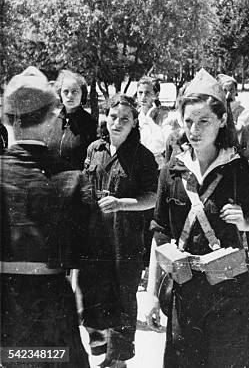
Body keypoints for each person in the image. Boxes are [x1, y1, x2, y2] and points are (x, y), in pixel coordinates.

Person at [145, 69, 249, 367]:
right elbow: (159, 233)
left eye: (204, 121)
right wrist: (153, 296)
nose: (194, 130)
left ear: (221, 120)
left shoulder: (240, 169)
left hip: (231, 295)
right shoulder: (172, 171)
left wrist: (246, 222)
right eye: (189, 121)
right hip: (184, 290)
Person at [0, 66, 96, 368]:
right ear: (53, 117)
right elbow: (95, 257)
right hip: (52, 308)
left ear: (5, 119)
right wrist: (97, 321)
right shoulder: (71, 178)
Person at [82, 94, 158, 367]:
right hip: (95, 236)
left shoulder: (142, 156)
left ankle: (119, 359)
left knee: (123, 298)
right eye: (113, 117)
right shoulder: (94, 149)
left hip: (125, 237)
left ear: (134, 122)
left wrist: (121, 203)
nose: (117, 123)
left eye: (124, 119)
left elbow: (152, 197)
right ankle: (104, 348)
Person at [46, 70, 98, 171]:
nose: (70, 96)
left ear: (82, 94)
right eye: (66, 91)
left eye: (75, 91)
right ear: (60, 94)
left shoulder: (90, 124)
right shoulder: (52, 122)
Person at [136, 76, 166, 167]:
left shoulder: (164, 116)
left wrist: (150, 120)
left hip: (157, 166)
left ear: (156, 95)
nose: (143, 97)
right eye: (140, 93)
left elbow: (161, 145)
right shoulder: (134, 116)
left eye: (147, 93)